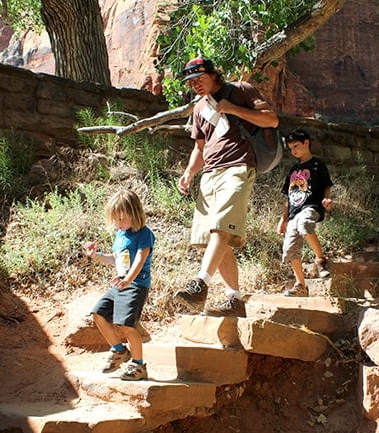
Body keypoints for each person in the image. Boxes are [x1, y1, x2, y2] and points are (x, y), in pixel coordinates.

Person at [174, 55, 279, 317]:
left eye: (199, 78)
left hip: (239, 165)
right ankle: (234, 300)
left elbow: (271, 120)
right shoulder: (198, 108)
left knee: (222, 225)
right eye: (190, 81)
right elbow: (200, 147)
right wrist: (188, 173)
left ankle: (200, 284)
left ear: (213, 74)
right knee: (212, 237)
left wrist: (233, 109)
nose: (195, 84)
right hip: (209, 173)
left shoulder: (240, 90)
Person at [84, 189, 155, 380]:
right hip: (121, 285)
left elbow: (140, 259)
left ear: (135, 214)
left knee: (126, 326)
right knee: (98, 314)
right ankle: (119, 351)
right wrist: (96, 256)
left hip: (135, 285)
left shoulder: (144, 234)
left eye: (122, 219)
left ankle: (139, 366)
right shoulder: (120, 235)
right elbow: (114, 260)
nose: (118, 223)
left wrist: (128, 280)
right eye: (115, 220)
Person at [277, 129, 334, 297]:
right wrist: (283, 220)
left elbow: (327, 185)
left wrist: (327, 200)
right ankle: (301, 285)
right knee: (289, 249)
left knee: (305, 224)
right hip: (293, 213)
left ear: (306, 143)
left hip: (311, 207)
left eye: (296, 146)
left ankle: (320, 260)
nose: (293, 151)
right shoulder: (293, 170)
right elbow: (288, 197)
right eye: (290, 148)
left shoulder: (318, 164)